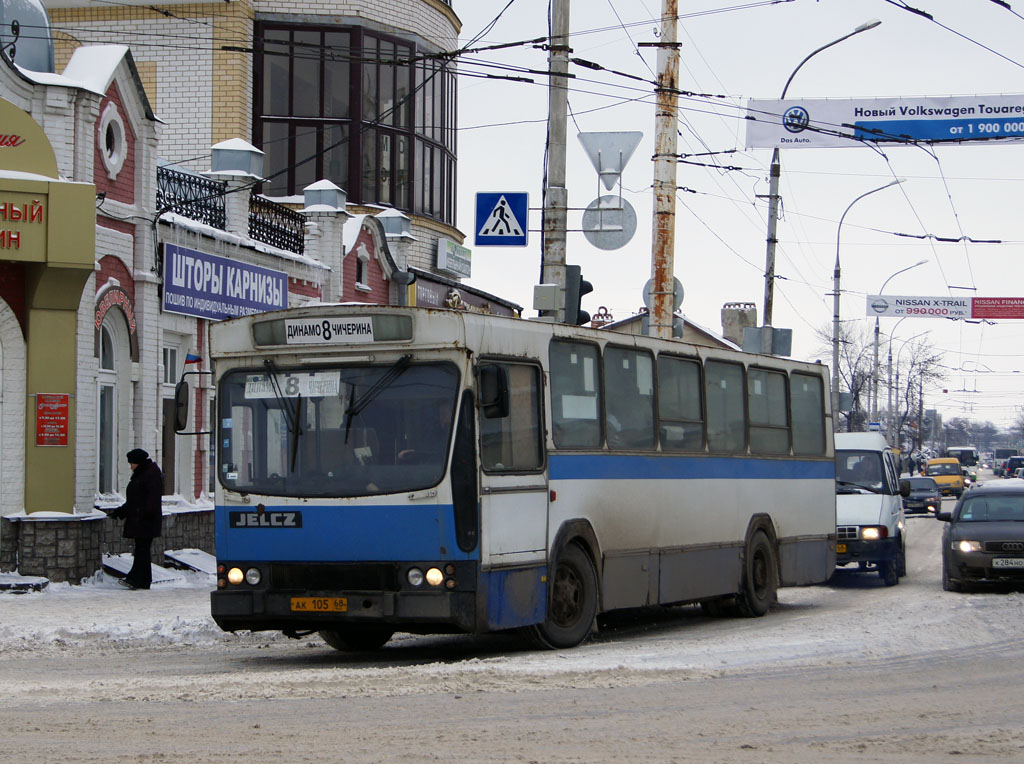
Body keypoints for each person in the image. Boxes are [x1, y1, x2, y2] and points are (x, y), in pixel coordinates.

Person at [106, 448, 163, 590]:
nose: (131, 466)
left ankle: (136, 579)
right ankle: (143, 579)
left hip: (145, 521)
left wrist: (143, 515)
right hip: (143, 520)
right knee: (142, 551)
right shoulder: (145, 473)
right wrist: (120, 512)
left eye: (132, 463)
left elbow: (149, 501)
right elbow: (135, 500)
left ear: (138, 462)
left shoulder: (148, 475)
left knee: (141, 551)